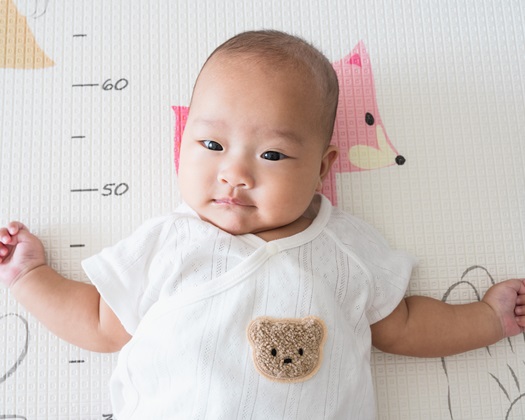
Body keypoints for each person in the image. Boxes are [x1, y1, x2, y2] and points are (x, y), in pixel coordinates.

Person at [1, 30, 524, 419]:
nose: (235, 174)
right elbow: (99, 321)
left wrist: (485, 319)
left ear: (322, 168)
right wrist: (31, 277)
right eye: (211, 145)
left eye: (272, 153)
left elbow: (404, 324)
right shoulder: (169, 242)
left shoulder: (346, 248)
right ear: (182, 143)